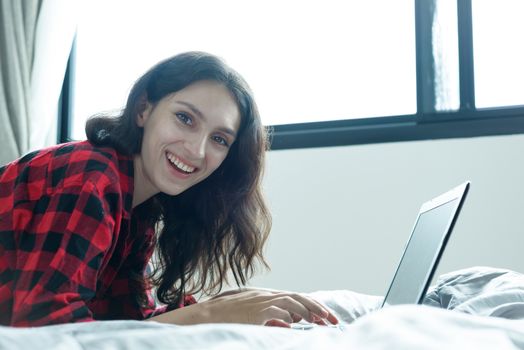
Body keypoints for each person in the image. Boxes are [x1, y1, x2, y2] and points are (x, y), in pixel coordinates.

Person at [0, 51, 338, 328]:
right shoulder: (92, 176)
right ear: (144, 108)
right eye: (185, 118)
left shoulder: (140, 209)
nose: (197, 151)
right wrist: (211, 315)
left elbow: (125, 323)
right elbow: (46, 329)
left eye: (219, 139)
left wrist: (232, 306)